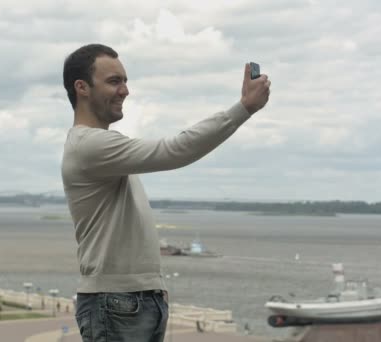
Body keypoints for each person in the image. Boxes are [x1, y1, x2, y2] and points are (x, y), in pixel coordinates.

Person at [61, 43, 270, 342]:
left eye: (125, 81)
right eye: (114, 81)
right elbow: (174, 150)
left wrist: (153, 287)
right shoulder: (89, 146)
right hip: (117, 301)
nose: (125, 90)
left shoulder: (101, 146)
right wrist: (243, 108)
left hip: (134, 299)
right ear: (81, 87)